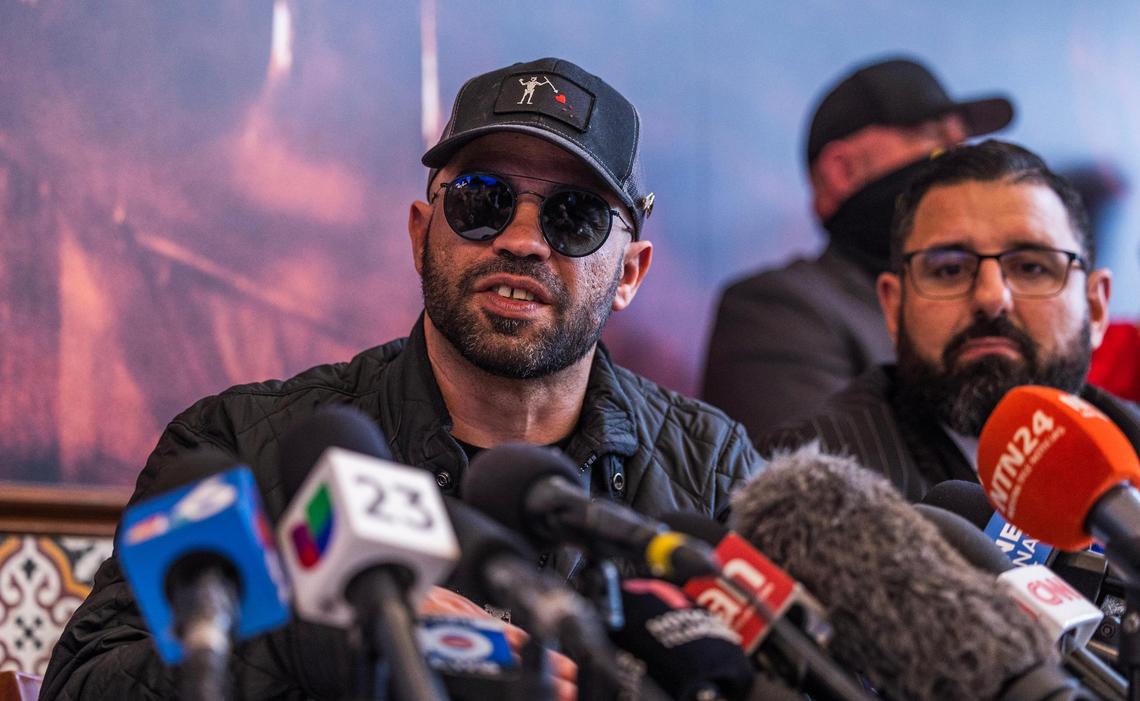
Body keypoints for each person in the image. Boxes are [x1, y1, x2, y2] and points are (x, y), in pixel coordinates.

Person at [41, 57, 762, 699]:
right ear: (422, 233)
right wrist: (319, 642)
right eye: (482, 199)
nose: (520, 239)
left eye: (574, 218)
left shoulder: (714, 471)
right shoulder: (241, 446)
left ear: (630, 272)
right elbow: (85, 681)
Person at [758, 140, 1140, 501]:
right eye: (949, 270)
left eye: (1031, 267)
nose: (992, 298)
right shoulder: (801, 485)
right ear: (893, 307)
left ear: (1095, 308)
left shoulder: (1131, 444)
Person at [702, 57, 1014, 440]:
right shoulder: (775, 311)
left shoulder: (993, 302)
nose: (961, 171)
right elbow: (814, 491)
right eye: (936, 144)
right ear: (842, 171)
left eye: (964, 150)